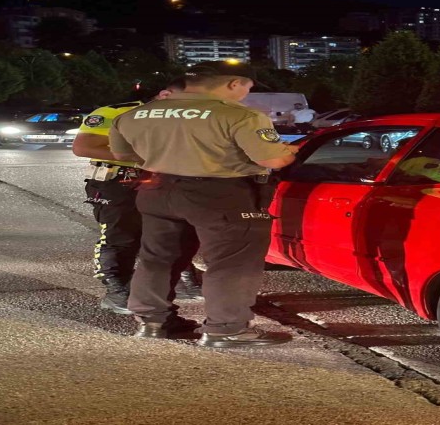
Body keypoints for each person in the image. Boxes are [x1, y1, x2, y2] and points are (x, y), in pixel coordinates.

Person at [108, 60, 298, 346]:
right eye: (248, 87)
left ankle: (152, 322)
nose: (246, 93)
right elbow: (273, 159)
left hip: (158, 190)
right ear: (234, 83)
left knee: (157, 257)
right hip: (220, 194)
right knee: (232, 261)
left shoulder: (137, 114)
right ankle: (227, 329)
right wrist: (289, 152)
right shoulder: (239, 115)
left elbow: (122, 155)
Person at [72, 78, 203, 316]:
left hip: (168, 181)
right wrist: (146, 157)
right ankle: (117, 291)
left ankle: (182, 281)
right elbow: (84, 146)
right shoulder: (116, 112)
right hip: (118, 182)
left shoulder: (190, 117)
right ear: (165, 95)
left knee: (175, 232)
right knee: (121, 236)